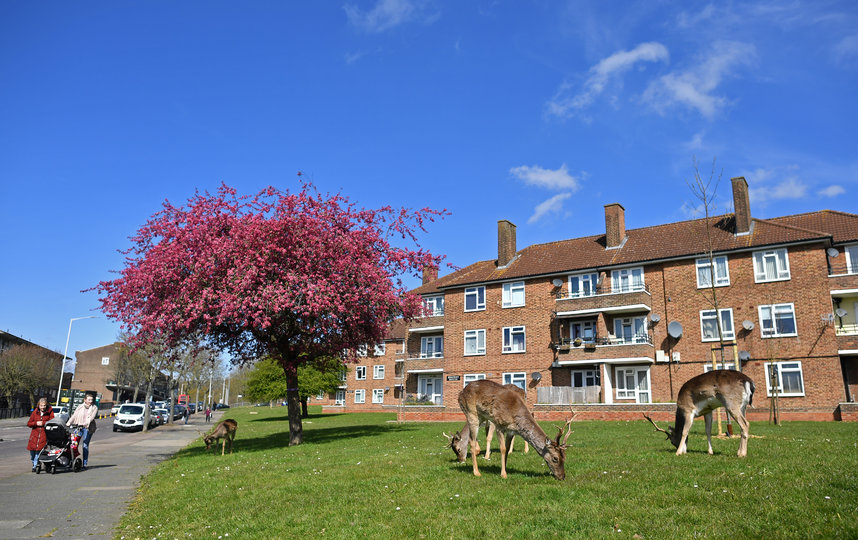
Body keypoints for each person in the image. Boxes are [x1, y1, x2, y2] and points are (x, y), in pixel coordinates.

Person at [67, 392, 98, 469]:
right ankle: (72, 461)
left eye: (92, 400)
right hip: (78, 427)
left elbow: (92, 417)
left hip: (88, 428)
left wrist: (85, 423)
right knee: (73, 444)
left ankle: (84, 464)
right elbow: (74, 415)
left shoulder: (94, 407)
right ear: (85, 400)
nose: (90, 401)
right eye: (89, 400)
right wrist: (69, 422)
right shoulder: (80, 407)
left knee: (85, 445)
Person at [27, 397, 54, 472]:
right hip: (34, 436)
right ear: (38, 405)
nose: (43, 407)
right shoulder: (35, 412)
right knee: (32, 453)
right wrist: (36, 423)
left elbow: (52, 421)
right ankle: (34, 463)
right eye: (41, 406)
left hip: (43, 435)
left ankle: (35, 466)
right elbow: (29, 423)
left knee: (38, 452)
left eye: (44, 405)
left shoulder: (50, 412)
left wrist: (43, 423)